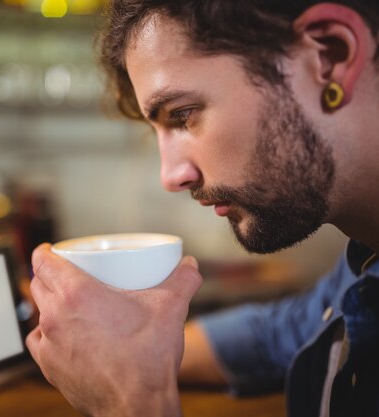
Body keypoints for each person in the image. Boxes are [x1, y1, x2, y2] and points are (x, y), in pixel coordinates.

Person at [25, 1, 379, 416]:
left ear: (329, 57)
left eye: (183, 115)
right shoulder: (364, 259)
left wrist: (132, 401)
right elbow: (277, 334)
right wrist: (116, 348)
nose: (171, 176)